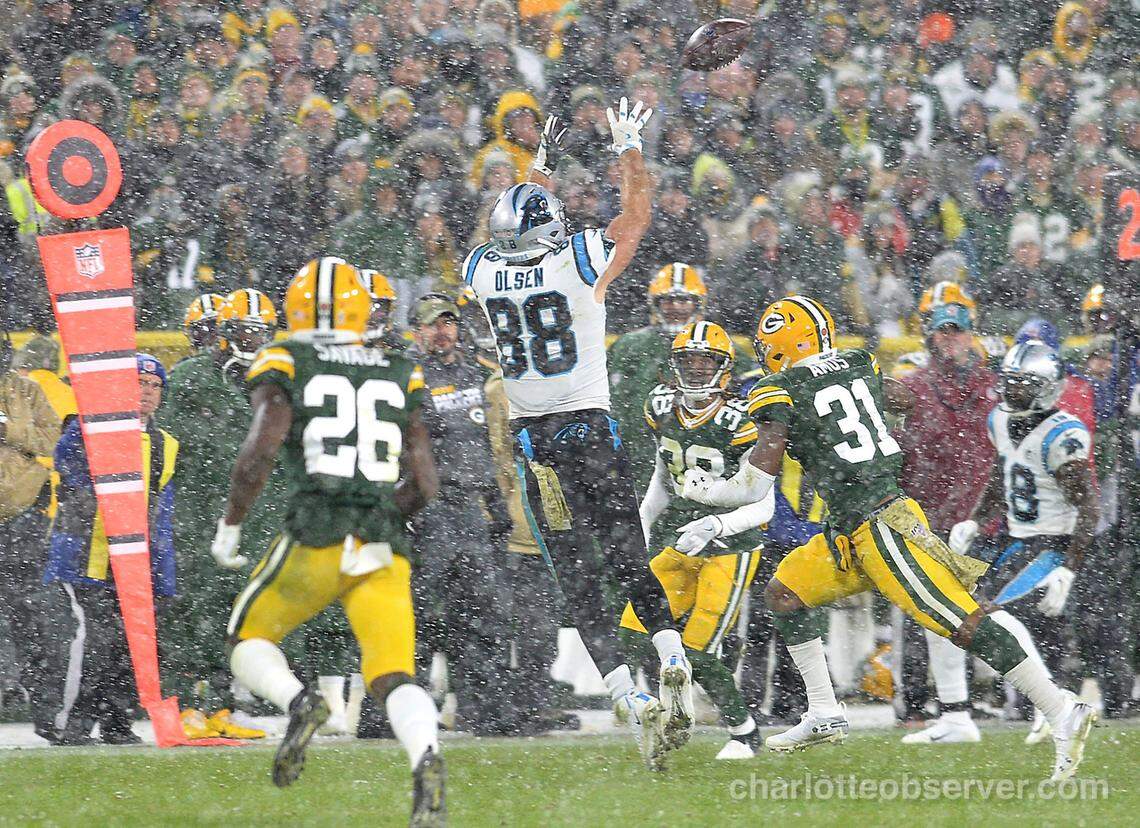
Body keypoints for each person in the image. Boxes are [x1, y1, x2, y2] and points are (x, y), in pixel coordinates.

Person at [681, 295, 1096, 782]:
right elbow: (901, 397)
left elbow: (753, 486)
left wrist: (707, 492)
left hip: (882, 526)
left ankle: (1059, 707)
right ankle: (823, 711)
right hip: (850, 527)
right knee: (785, 593)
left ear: (778, 343)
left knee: (962, 622)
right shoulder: (857, 362)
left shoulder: (780, 388)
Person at [462, 100, 691, 771]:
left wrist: (539, 167)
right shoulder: (576, 263)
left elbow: (507, 220)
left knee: (575, 574)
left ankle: (624, 694)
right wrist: (628, 148)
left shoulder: (482, 270)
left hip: (536, 446)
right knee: (627, 552)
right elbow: (637, 217)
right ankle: (669, 649)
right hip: (590, 429)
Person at [209, 258, 445, 824]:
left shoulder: (287, 358)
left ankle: (299, 701)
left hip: (316, 530)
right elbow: (427, 483)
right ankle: (427, 757)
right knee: (393, 675)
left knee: (246, 637)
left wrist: (232, 523)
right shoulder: (399, 367)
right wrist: (379, 515)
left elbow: (259, 454)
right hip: (383, 540)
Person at [619, 321, 771, 760]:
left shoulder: (740, 421)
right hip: (682, 541)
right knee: (635, 632)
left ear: (724, 369)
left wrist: (717, 526)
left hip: (732, 547)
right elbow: (663, 477)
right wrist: (643, 524)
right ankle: (670, 712)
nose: (698, 370)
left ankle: (745, 732)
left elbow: (764, 506)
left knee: (697, 652)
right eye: (689, 360)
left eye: (707, 361)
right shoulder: (661, 406)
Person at [949, 340, 1099, 743]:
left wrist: (1068, 568)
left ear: (1047, 387)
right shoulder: (1000, 419)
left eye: (1022, 383)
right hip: (1016, 540)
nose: (1011, 391)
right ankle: (1054, 707)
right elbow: (1003, 475)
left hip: (1053, 543)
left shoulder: (1062, 434)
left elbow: (1089, 511)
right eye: (1008, 382)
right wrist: (976, 522)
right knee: (988, 616)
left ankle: (1054, 709)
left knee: (994, 616)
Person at [44, 354, 178, 746]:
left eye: (154, 386)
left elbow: (162, 513)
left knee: (129, 642)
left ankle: (116, 720)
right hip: (88, 556)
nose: (147, 392)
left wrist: (162, 570)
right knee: (98, 638)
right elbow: (71, 478)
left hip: (135, 561)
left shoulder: (166, 443)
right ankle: (74, 723)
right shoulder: (88, 428)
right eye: (139, 383)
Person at [405, 292, 515, 735]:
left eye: (448, 322)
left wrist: (496, 505)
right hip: (428, 511)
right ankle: (402, 710)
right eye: (432, 323)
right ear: (417, 331)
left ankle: (483, 710)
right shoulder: (407, 379)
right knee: (418, 614)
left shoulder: (481, 376)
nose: (441, 330)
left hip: (473, 511)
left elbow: (493, 446)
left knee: (481, 613)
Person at [896, 297, 998, 742]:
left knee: (985, 611)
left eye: (957, 330)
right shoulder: (912, 387)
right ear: (930, 335)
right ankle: (918, 702)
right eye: (943, 330)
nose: (950, 337)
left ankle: (975, 699)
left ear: (970, 334)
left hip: (980, 516)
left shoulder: (994, 386)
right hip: (927, 513)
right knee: (923, 611)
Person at [0, 328, 64, 742]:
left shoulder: (28, 391)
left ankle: (43, 704)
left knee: (29, 613)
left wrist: (10, 432)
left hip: (23, 514)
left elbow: (54, 437)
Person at [608, 262, 708, 491]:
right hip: (634, 458)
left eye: (683, 300)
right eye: (668, 300)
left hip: (696, 460)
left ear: (697, 304)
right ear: (655, 304)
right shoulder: (628, 346)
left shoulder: (717, 346)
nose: (675, 307)